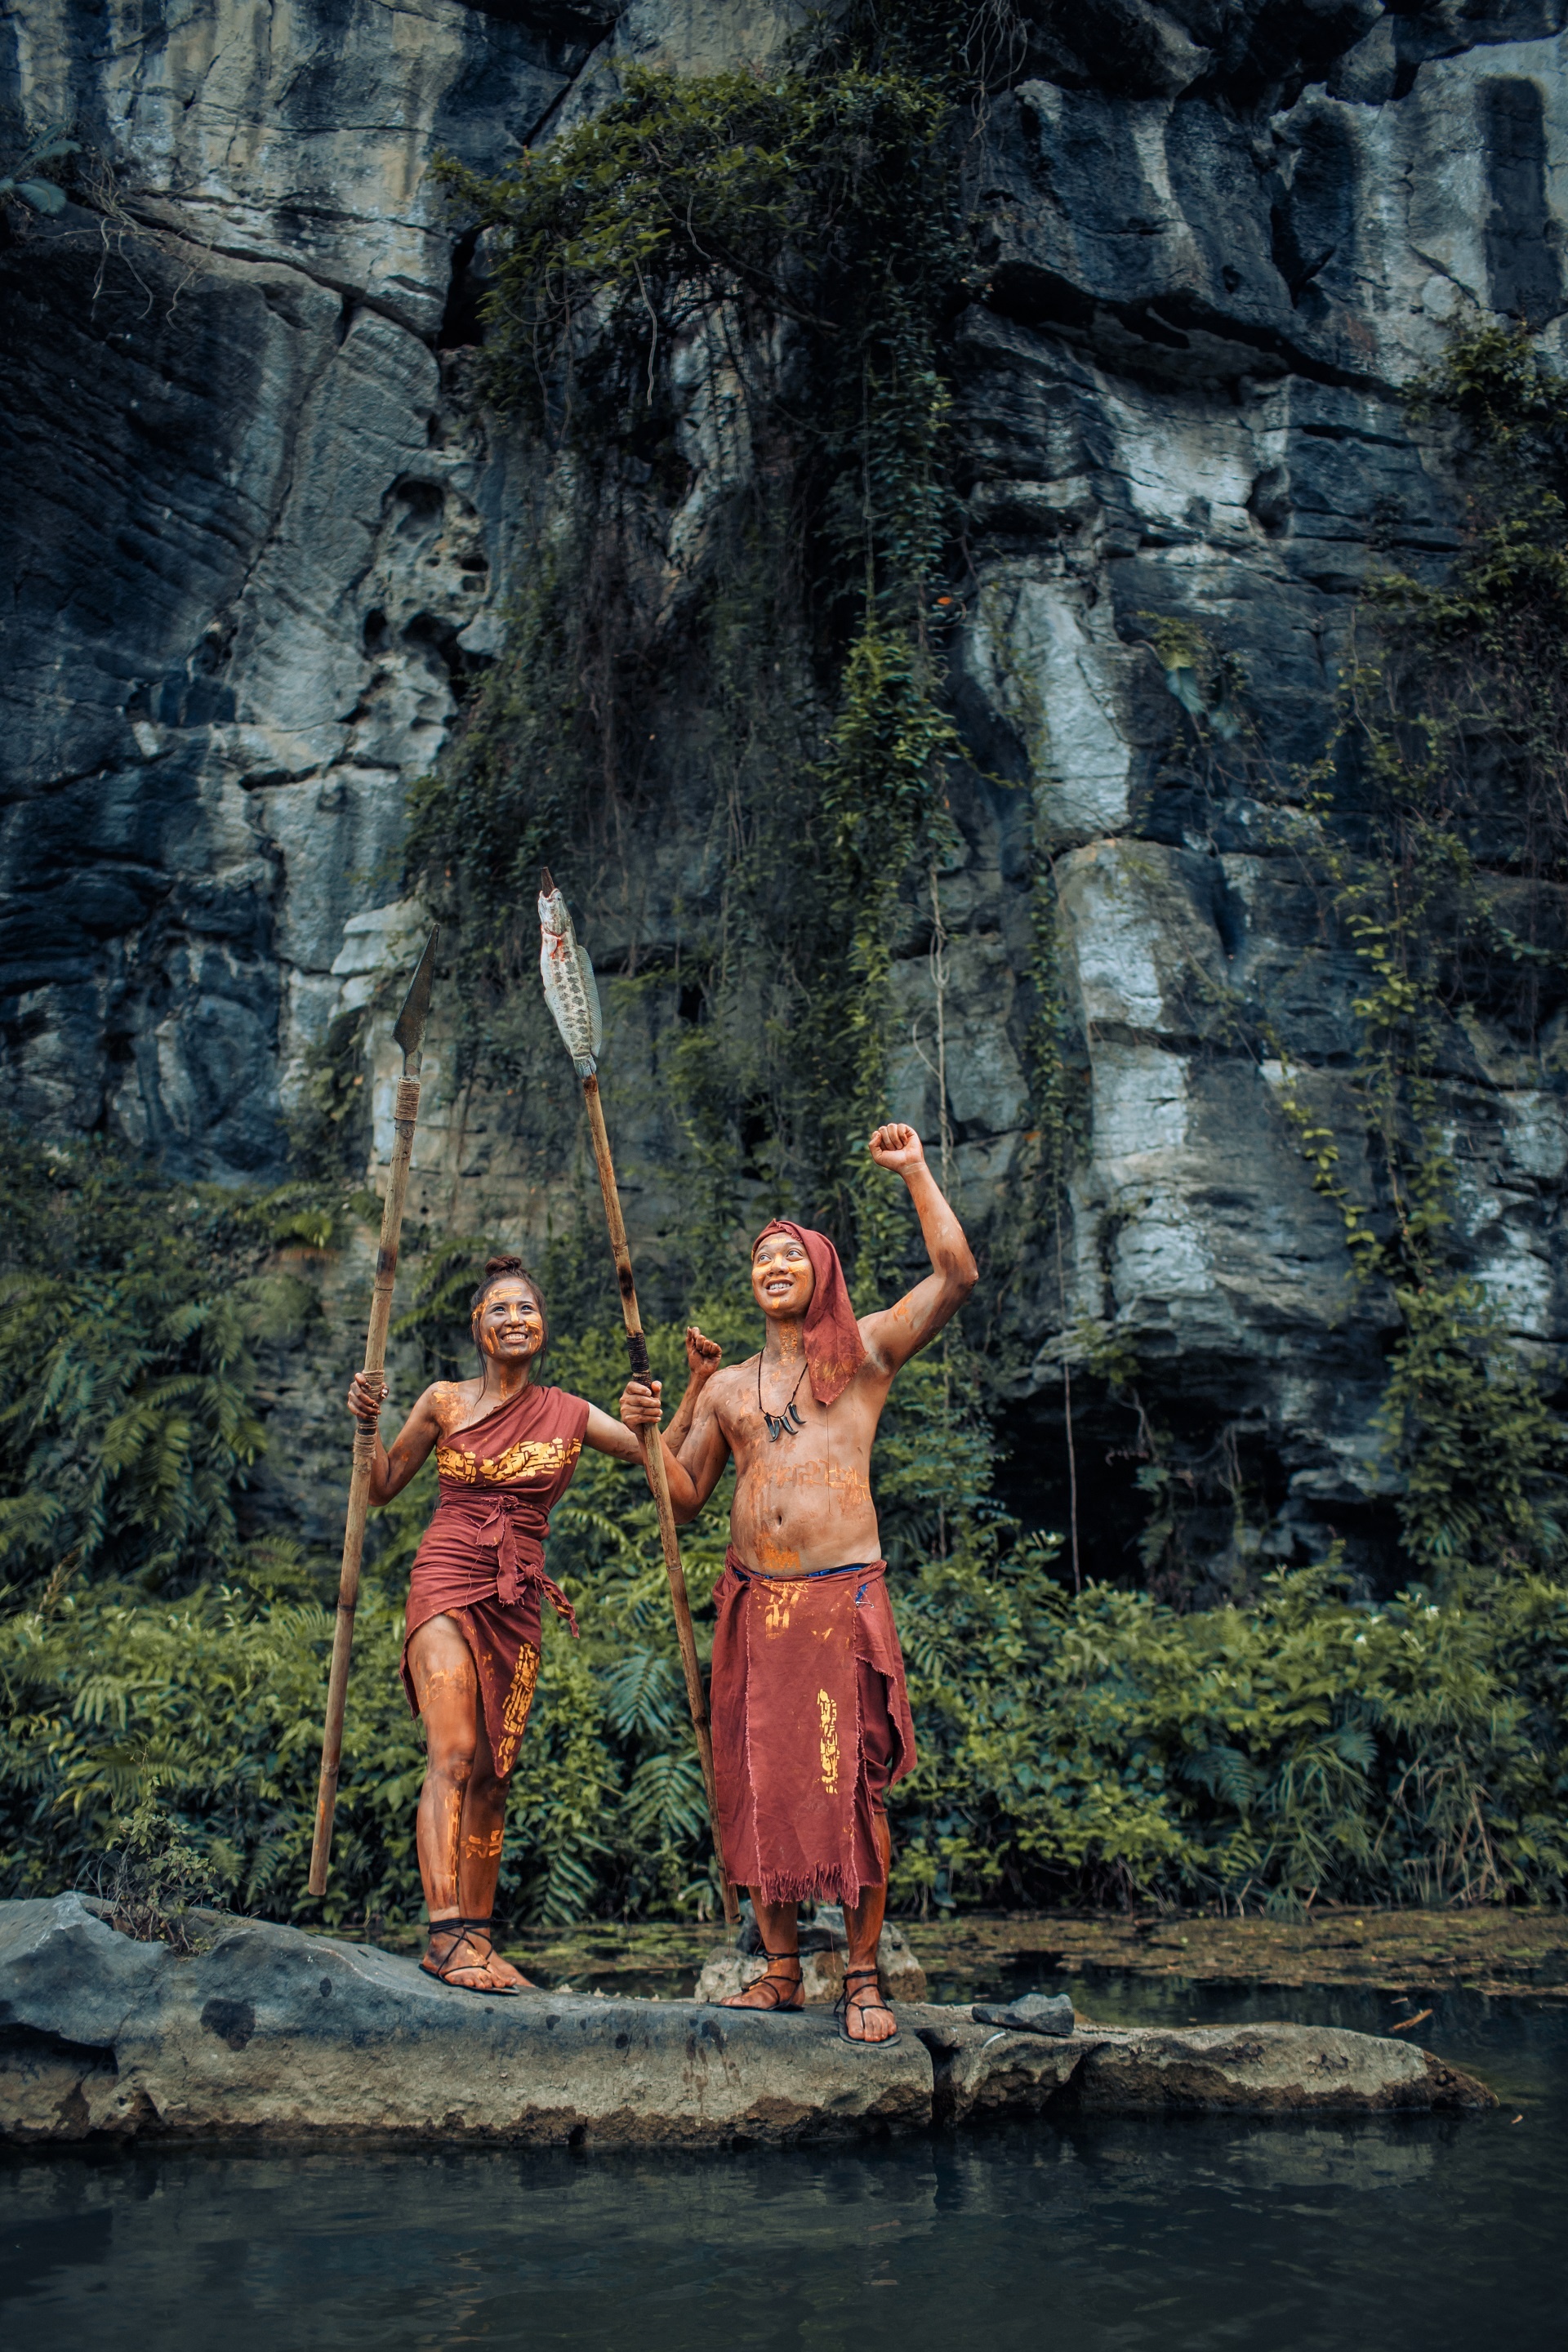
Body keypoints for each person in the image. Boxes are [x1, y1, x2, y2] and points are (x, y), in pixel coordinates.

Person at [619, 1123, 976, 2043]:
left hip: (840, 1596)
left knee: (851, 1785)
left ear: (821, 1270)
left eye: (790, 1253)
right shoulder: (735, 1387)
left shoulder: (862, 1356)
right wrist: (662, 1417)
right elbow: (685, 1494)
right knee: (755, 1782)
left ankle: (861, 1975)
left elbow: (955, 1277)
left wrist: (914, 1170)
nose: (773, 1263)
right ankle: (779, 1968)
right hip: (755, 1603)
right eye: (761, 1256)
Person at [346, 1254, 646, 1993]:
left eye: (526, 1310)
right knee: (452, 1753)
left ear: (543, 1329)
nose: (515, 1320)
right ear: (477, 1329)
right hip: (447, 1579)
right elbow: (382, 1485)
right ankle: (444, 1933)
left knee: (493, 1775)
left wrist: (666, 1404)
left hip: (518, 1599)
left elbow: (652, 1454)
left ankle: (476, 1937)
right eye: (499, 1310)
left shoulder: (572, 1413)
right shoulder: (445, 1402)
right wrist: (364, 1427)